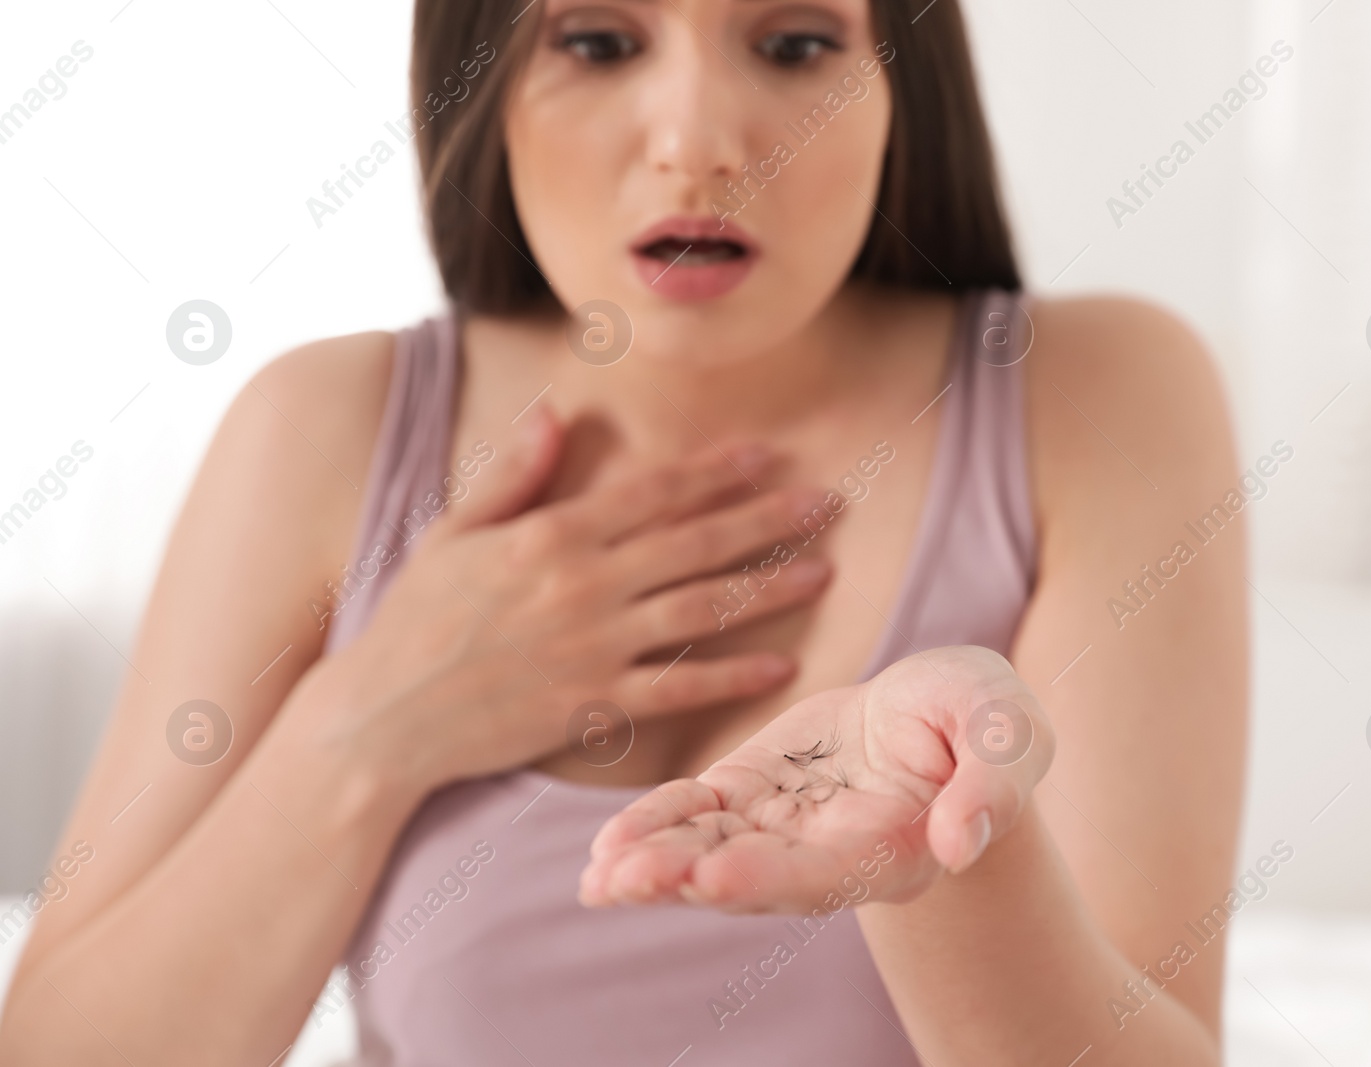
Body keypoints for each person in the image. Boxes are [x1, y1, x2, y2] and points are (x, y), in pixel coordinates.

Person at [0, 0, 1247, 1063]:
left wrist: (935, 844)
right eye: (597, 40)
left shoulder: (1095, 391)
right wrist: (371, 720)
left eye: (798, 41)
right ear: (474, 77)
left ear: (899, 82)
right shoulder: (323, 427)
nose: (699, 142)